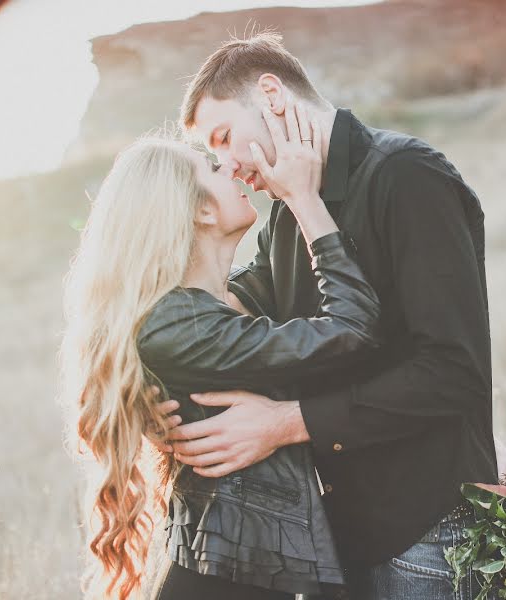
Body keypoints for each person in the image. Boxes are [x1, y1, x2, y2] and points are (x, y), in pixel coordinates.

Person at [164, 31, 506, 599]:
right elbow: (247, 302)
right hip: (339, 535)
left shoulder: (408, 177)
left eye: (225, 137)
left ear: (273, 95)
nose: (228, 165)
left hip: (426, 531)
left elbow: (454, 371)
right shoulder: (285, 209)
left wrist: (283, 423)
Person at [61, 110, 377, 599]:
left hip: (252, 571)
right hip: (230, 580)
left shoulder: (206, 309)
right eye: (212, 167)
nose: (229, 169)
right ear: (200, 212)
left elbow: (267, 283)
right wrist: (306, 202)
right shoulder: (179, 324)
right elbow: (350, 330)